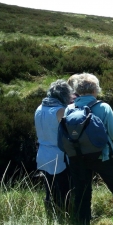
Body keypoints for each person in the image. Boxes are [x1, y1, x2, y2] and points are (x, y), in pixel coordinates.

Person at [68, 73, 113, 225]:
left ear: (77, 89)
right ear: (95, 90)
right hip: (102, 155)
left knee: (82, 190)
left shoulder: (70, 109)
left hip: (77, 156)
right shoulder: (103, 107)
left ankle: (82, 224)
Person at [34, 79, 73, 214]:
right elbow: (69, 133)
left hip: (42, 153)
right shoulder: (60, 111)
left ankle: (51, 214)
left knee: (49, 188)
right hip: (58, 155)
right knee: (64, 189)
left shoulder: (39, 108)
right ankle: (66, 214)